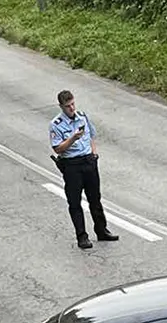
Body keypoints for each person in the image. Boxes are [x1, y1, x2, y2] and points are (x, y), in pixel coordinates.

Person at [49, 89, 119, 249]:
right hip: (72, 165)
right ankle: (82, 236)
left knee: (95, 198)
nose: (72, 108)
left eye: (73, 104)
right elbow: (57, 149)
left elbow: (91, 135)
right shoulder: (56, 125)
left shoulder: (82, 116)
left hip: (88, 161)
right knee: (75, 202)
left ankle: (102, 230)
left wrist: (94, 154)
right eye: (68, 106)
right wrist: (73, 138)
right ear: (61, 107)